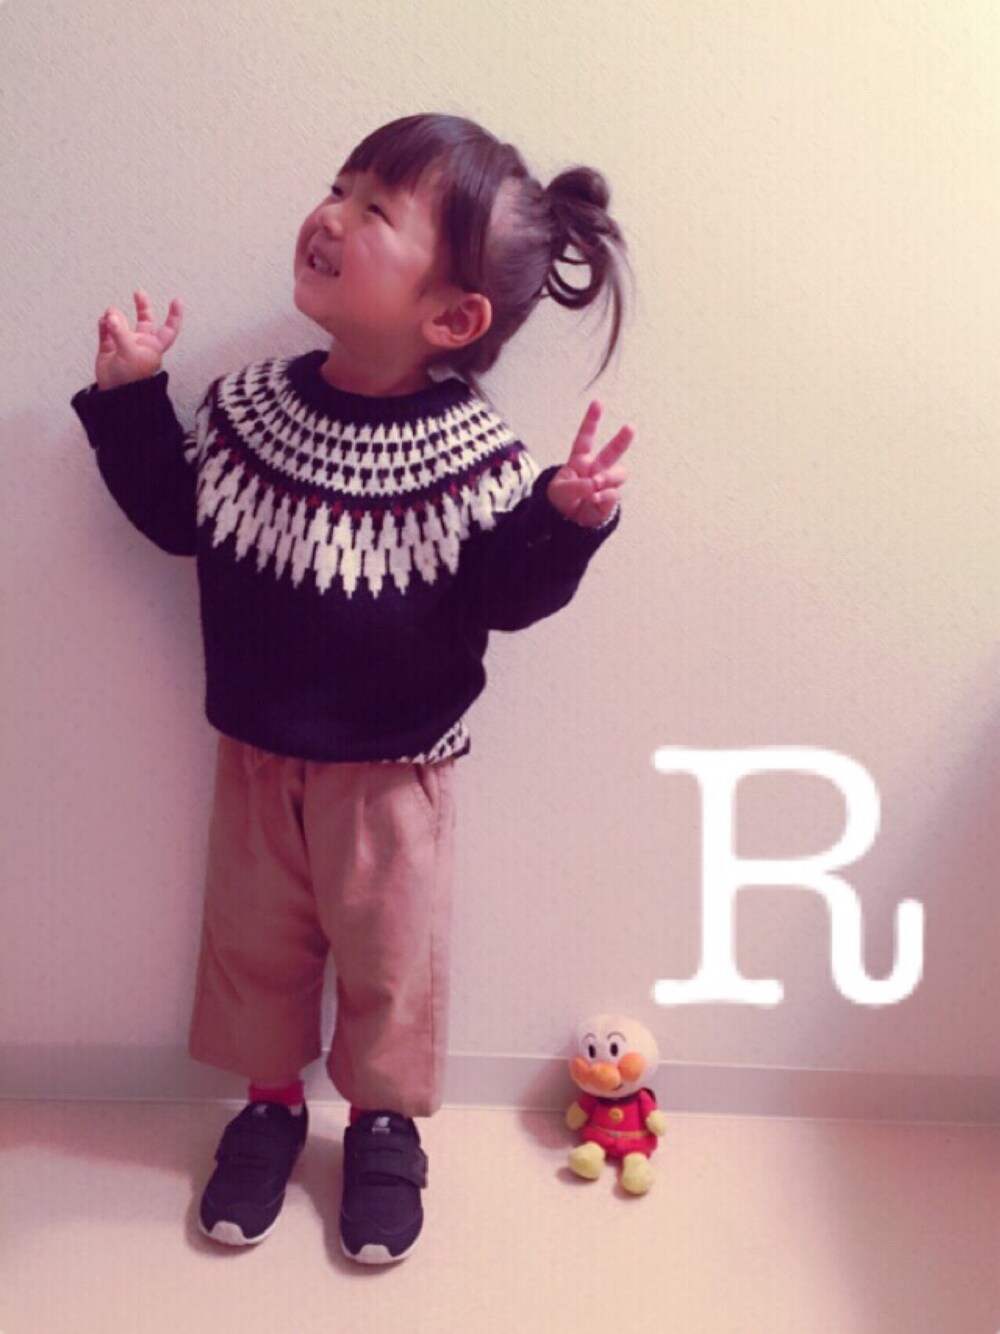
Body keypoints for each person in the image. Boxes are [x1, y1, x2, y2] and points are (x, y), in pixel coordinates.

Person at [71, 111, 635, 1265]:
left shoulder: (473, 455)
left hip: (396, 768)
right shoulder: (245, 410)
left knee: (389, 960)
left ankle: (383, 1126)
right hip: (256, 749)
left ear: (453, 316)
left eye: (375, 209)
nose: (331, 215)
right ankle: (269, 1105)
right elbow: (176, 516)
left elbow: (508, 596)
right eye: (339, 186)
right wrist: (132, 397)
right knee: (253, 945)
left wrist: (565, 520)